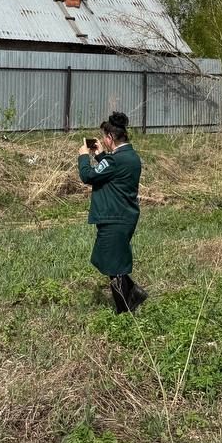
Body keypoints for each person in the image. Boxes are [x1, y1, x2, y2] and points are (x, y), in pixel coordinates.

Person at [78, 111, 145, 313]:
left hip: (114, 217)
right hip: (123, 215)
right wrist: (100, 155)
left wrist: (83, 156)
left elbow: (88, 176)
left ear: (109, 137)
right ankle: (133, 295)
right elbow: (111, 171)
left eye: (104, 138)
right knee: (107, 259)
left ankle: (124, 309)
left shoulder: (116, 160)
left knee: (113, 264)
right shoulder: (130, 156)